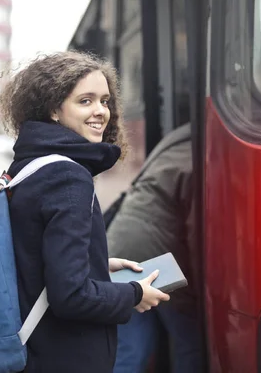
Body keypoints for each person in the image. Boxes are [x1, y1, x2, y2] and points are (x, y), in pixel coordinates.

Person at [0, 51, 170, 373]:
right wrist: (133, 293)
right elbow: (71, 295)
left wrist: (96, 262)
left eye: (105, 101)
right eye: (85, 101)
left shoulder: (31, 165)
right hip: (64, 354)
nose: (101, 111)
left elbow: (30, 256)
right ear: (54, 109)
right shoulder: (68, 177)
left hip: (36, 349)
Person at [107, 123, 206, 373]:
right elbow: (197, 232)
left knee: (131, 349)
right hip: (158, 260)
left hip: (120, 247)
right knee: (190, 341)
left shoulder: (177, 139)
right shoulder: (204, 152)